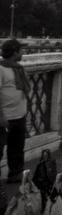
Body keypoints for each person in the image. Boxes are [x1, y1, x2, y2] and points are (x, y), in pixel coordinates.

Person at [0, 38, 29, 183]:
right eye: (21, 50)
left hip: (19, 116)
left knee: (17, 149)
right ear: (14, 52)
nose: (23, 53)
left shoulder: (18, 68)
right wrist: (1, 117)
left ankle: (16, 174)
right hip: (5, 118)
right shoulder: (1, 69)